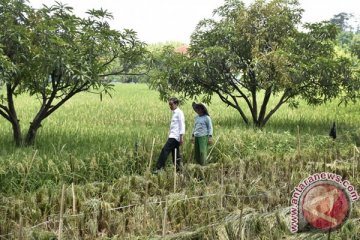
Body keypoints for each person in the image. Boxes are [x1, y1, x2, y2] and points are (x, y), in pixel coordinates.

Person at [154, 97, 185, 173]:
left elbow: (182, 125)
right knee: (176, 154)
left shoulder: (179, 113)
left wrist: (181, 137)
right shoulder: (174, 113)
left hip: (175, 136)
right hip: (174, 136)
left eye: (171, 104)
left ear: (176, 104)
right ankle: (178, 171)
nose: (170, 106)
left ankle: (159, 168)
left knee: (165, 150)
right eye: (169, 104)